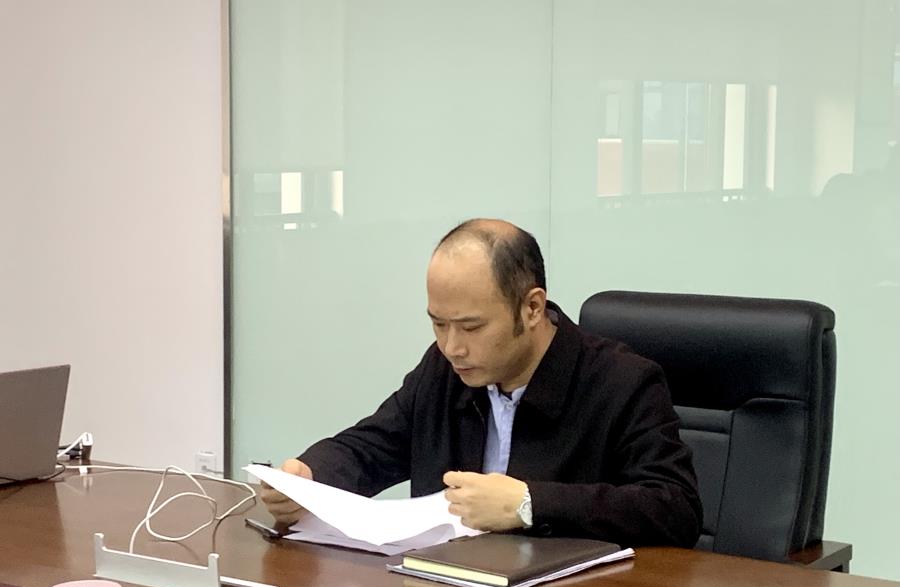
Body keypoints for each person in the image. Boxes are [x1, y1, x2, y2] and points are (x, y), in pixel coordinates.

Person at [261, 219, 702, 547]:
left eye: (471, 327)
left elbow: (675, 509)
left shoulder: (621, 382)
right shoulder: (444, 370)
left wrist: (529, 504)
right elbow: (374, 445)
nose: (452, 347)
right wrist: (308, 479)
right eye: (439, 324)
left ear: (532, 308)